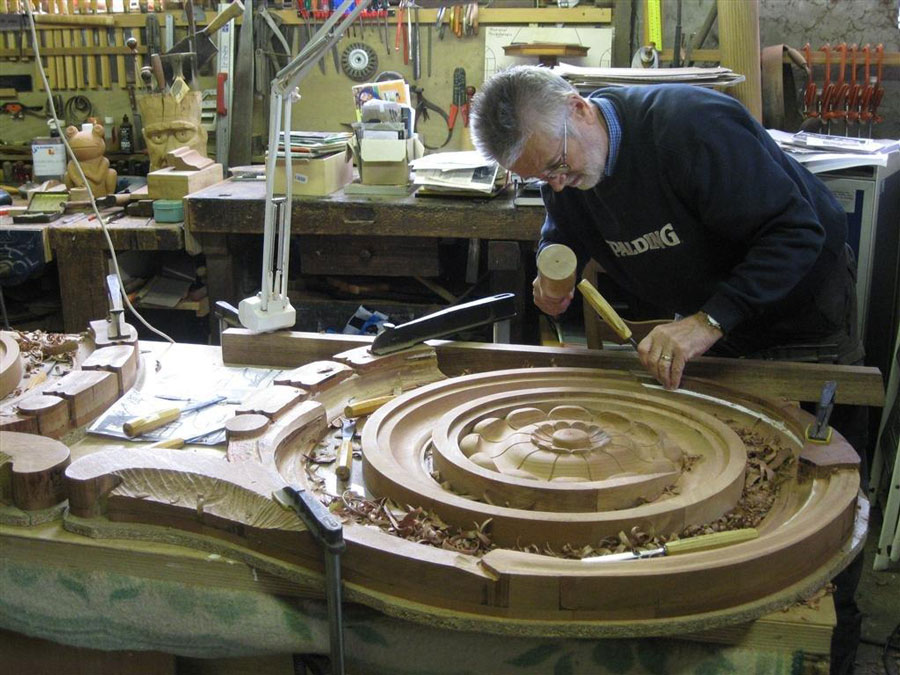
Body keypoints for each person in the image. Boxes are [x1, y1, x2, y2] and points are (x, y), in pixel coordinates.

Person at [470, 65, 867, 675]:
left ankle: (829, 649)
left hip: (799, 313)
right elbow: (564, 227)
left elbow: (797, 232)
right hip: (713, 317)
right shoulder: (566, 167)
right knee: (727, 480)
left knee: (815, 501)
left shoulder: (692, 128)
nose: (558, 183)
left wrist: (709, 321)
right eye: (541, 178)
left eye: (557, 166)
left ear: (578, 108)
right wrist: (557, 269)